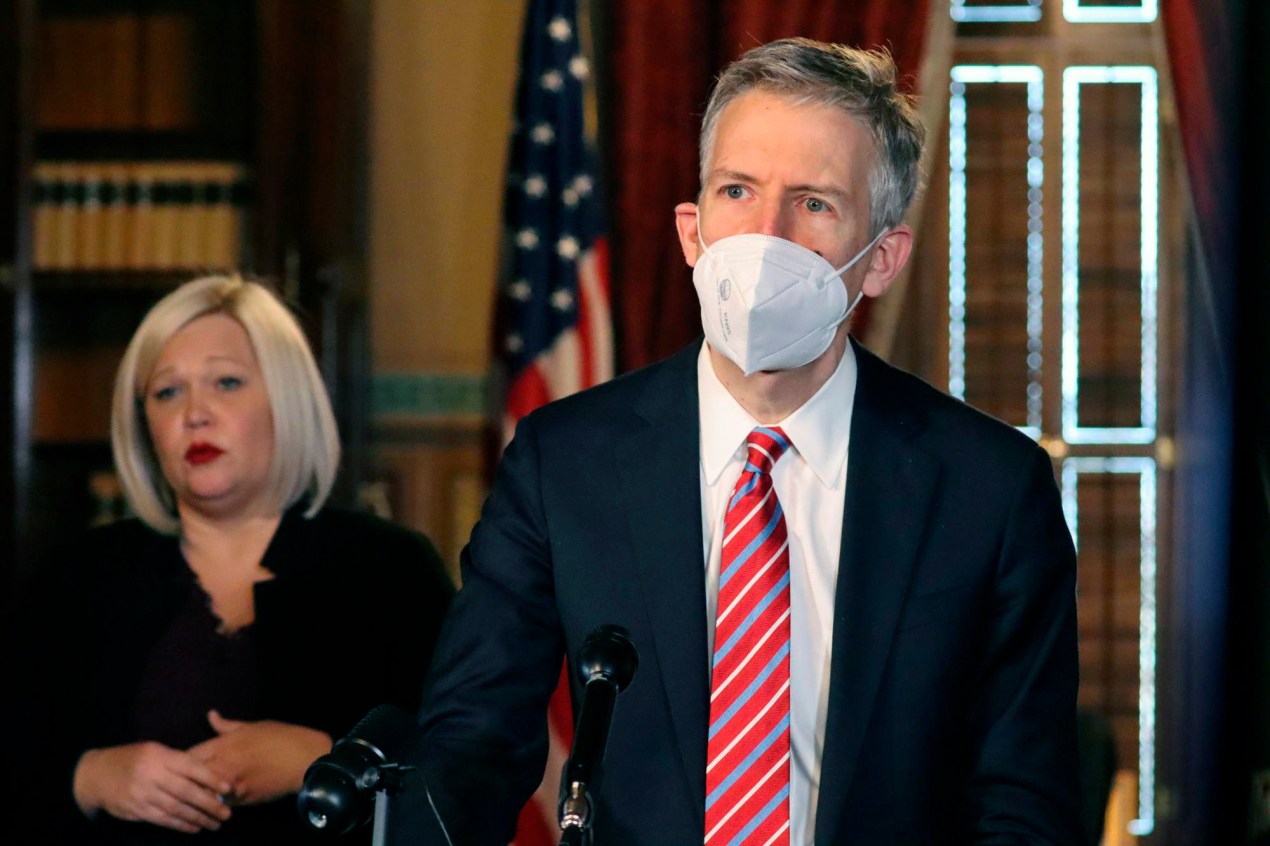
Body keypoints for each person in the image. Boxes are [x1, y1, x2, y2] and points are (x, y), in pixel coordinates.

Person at [402, 38, 1081, 844]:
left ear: (883, 259)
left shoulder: (991, 491)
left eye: (816, 202)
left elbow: (1023, 804)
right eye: (737, 190)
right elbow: (468, 748)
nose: (766, 235)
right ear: (692, 232)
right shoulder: (564, 464)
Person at [2, 274, 454, 844]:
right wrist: (89, 778)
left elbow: (467, 771)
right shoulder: (80, 577)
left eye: (227, 382)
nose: (195, 413)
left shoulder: (390, 569)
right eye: (168, 392)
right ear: (146, 428)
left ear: (285, 401)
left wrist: (323, 759)